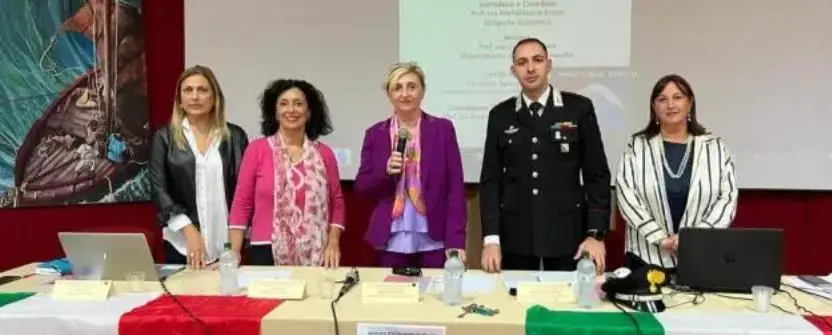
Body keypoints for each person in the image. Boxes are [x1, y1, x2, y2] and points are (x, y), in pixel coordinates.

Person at [479, 38, 611, 273]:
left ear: (549, 65)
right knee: (514, 304)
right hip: (515, 236)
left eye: (537, 60)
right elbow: (491, 181)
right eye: (522, 62)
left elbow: (597, 174)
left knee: (568, 305)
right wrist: (491, 239)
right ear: (513, 70)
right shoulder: (500, 115)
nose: (530, 68)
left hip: (567, 234)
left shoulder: (578, 108)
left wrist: (596, 234)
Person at [615, 74, 738, 269]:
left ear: (690, 104)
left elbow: (727, 199)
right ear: (654, 107)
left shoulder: (714, 146)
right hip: (646, 257)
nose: (670, 105)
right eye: (662, 99)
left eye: (678, 97)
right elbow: (625, 195)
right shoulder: (637, 146)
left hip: (701, 256)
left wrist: (694, 238)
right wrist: (660, 238)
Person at [354, 62, 467, 269]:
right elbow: (362, 186)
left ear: (422, 91)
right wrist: (385, 173)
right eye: (398, 87)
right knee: (394, 296)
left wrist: (456, 241)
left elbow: (455, 188)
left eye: (412, 87)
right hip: (391, 235)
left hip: (434, 234)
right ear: (389, 94)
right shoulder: (375, 134)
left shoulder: (442, 129)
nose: (405, 93)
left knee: (434, 297)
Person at [228, 79, 345, 267]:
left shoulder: (325, 154)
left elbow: (337, 202)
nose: (291, 110)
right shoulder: (256, 150)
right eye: (283, 104)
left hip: (317, 251)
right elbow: (242, 203)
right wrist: (233, 253)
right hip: (266, 249)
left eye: (298, 104)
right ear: (275, 112)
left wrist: (333, 242)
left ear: (309, 113)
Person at [149, 65, 249, 269]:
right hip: (182, 245)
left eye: (202, 90)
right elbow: (159, 188)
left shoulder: (235, 137)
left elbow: (245, 191)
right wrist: (188, 230)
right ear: (180, 100)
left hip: (228, 246)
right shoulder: (164, 137)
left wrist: (236, 244)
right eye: (188, 90)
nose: (195, 96)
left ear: (215, 97)